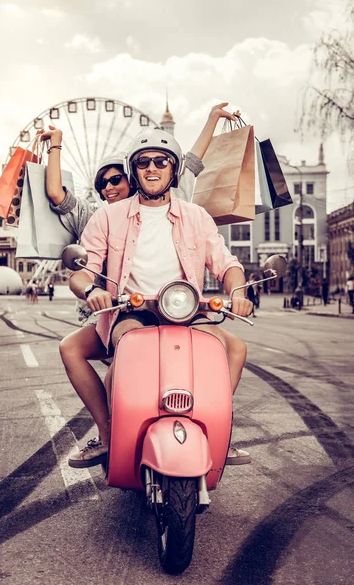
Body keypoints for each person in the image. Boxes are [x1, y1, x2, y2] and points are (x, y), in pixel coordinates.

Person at [67, 128, 253, 469]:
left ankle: (218, 429)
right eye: (143, 162)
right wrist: (92, 290)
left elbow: (226, 263)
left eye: (161, 161)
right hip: (133, 310)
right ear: (133, 169)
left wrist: (238, 291)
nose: (152, 168)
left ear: (174, 170)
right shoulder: (108, 216)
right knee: (123, 356)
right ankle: (110, 434)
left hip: (185, 308)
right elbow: (84, 270)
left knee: (230, 349)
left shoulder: (196, 216)